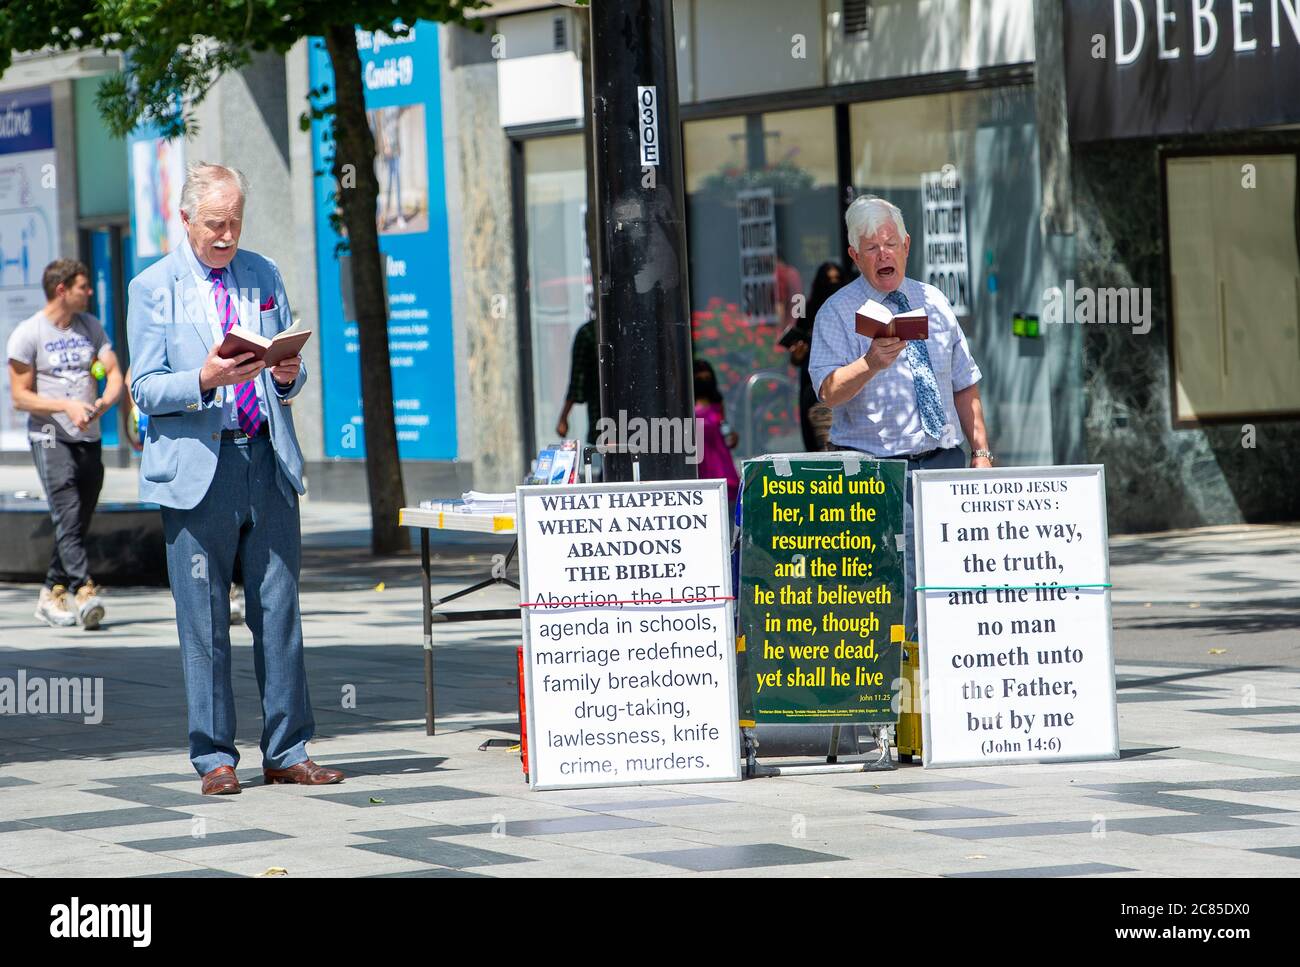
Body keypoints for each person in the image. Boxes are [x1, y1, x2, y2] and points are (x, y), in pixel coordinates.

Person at [127, 161, 342, 796]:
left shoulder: (263, 272)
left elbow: (290, 365)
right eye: (215, 224)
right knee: (204, 618)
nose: (227, 236)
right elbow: (143, 387)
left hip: (266, 460)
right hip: (199, 468)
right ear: (186, 218)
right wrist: (204, 380)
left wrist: (286, 375)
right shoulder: (151, 287)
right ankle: (216, 758)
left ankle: (288, 749)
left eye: (235, 222)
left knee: (279, 610)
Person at [809, 196, 992, 642]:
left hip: (944, 463)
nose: (883, 254)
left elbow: (965, 381)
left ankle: (952, 678)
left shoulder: (933, 301)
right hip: (880, 471)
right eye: (871, 248)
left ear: (907, 245)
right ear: (854, 256)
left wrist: (981, 451)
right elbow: (828, 392)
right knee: (896, 590)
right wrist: (871, 362)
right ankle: (897, 696)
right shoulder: (837, 311)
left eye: (890, 244)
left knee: (956, 578)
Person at [7, 259, 123, 629]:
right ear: (62, 290)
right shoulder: (28, 334)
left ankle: (49, 591)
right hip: (49, 436)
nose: (90, 292)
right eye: (83, 286)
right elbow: (20, 397)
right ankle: (82, 589)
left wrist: (105, 402)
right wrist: (66, 405)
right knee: (68, 508)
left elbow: (115, 372)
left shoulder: (91, 327)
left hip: (88, 436)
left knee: (78, 516)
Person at [787, 261, 846, 452]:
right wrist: (798, 353)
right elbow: (796, 358)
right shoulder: (808, 311)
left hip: (844, 383)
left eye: (837, 280)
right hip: (812, 387)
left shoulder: (849, 310)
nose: (832, 285)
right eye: (827, 281)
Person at [693, 359, 740, 509]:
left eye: (707, 378)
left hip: (721, 463)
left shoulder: (717, 403)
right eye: (699, 379)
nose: (704, 382)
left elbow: (723, 428)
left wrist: (732, 437)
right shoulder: (686, 404)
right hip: (699, 465)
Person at [556, 319, 601, 449]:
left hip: (604, 421)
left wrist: (563, 418)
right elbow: (577, 382)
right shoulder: (589, 333)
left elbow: (577, 382)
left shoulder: (588, 332)